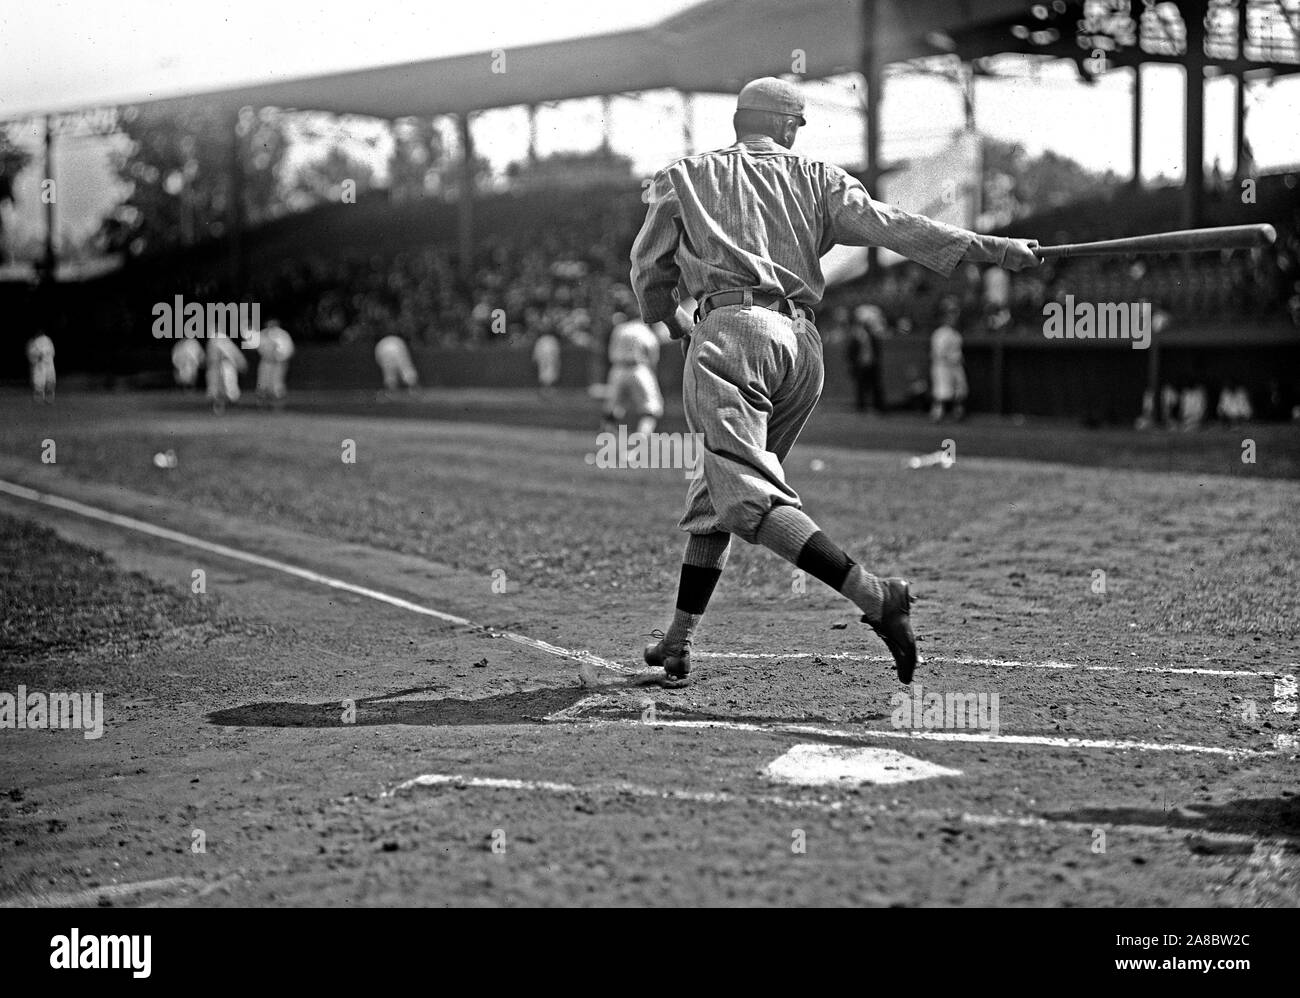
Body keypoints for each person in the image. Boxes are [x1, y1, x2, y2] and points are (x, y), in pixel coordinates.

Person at [630, 76, 1040, 687]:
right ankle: (678, 640)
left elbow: (647, 267)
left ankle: (875, 596)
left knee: (745, 496)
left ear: (740, 121)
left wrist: (669, 317)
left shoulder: (685, 176)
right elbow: (892, 225)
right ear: (787, 124)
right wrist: (991, 246)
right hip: (801, 347)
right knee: (718, 492)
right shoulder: (819, 178)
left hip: (731, 333)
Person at [603, 312, 664, 435]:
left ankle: (607, 433)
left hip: (617, 369)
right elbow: (653, 357)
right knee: (652, 408)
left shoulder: (620, 328)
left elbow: (611, 350)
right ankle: (642, 436)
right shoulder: (645, 331)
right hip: (638, 369)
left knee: (615, 405)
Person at [929, 298, 967, 422]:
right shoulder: (940, 333)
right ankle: (937, 414)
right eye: (950, 314)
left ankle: (958, 413)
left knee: (960, 391)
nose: (954, 317)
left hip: (955, 366)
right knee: (942, 392)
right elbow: (938, 353)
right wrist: (951, 359)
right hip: (943, 367)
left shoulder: (955, 333)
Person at [846, 304, 884, 413]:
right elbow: (851, 351)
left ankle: (879, 407)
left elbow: (877, 350)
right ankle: (862, 407)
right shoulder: (857, 336)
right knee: (861, 387)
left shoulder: (872, 335)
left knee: (876, 386)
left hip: (871, 363)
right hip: (861, 364)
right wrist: (853, 363)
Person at [255, 318, 295, 406]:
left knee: (277, 383)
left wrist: (279, 356)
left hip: (278, 363)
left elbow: (288, 349)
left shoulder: (282, 335)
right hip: (266, 362)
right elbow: (258, 346)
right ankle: (263, 402)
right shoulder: (263, 334)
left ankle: (277, 404)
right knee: (262, 382)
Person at [205, 332, 247, 414]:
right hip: (215, 366)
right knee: (216, 386)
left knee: (228, 385)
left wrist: (241, 362)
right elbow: (210, 356)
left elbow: (234, 353)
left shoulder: (224, 341)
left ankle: (228, 404)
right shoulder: (212, 342)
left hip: (226, 365)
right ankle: (219, 405)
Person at [26, 331, 55, 403]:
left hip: (47, 363)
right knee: (39, 381)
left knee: (49, 380)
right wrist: (37, 357)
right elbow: (32, 353)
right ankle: (39, 397)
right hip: (40, 364)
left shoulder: (47, 340)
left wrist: (42, 356)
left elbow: (51, 352)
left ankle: (48, 398)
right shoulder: (35, 342)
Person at [532, 331, 561, 395]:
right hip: (543, 360)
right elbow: (537, 351)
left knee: (551, 373)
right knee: (544, 374)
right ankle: (545, 389)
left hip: (550, 360)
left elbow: (556, 352)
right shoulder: (541, 340)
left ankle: (549, 389)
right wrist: (535, 358)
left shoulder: (552, 339)